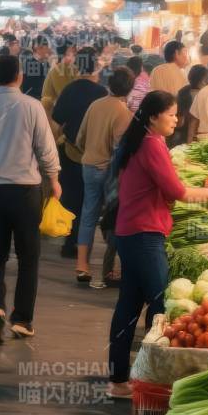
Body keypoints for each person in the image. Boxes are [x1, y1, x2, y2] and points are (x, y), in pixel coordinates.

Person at [107, 91, 208, 398]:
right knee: (163, 305)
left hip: (131, 232)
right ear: (153, 117)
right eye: (172, 114)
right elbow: (176, 190)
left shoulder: (143, 142)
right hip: (144, 235)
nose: (177, 119)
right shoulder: (151, 145)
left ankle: (121, 379)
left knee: (130, 305)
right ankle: (152, 380)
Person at [0, 52, 61, 343]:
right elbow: (46, 148)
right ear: (19, 76)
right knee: (29, 256)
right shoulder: (32, 106)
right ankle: (22, 320)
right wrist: (54, 179)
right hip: (26, 191)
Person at [76, 66, 132, 287]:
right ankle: (110, 268)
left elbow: (80, 138)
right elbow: (120, 148)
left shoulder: (95, 105)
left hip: (88, 166)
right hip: (108, 171)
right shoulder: (123, 112)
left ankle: (82, 266)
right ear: (128, 88)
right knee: (113, 218)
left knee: (88, 214)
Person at [52, 48, 107, 262]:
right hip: (95, 155)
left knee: (71, 199)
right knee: (90, 201)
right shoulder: (102, 93)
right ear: (96, 67)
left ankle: (69, 242)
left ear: (77, 66)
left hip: (70, 152)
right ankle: (85, 247)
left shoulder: (70, 90)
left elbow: (57, 119)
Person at [41, 41, 76, 132]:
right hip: (52, 115)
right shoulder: (58, 69)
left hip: (60, 113)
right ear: (64, 54)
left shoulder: (69, 68)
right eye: (72, 52)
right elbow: (64, 93)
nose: (75, 54)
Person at [173, 65, 208, 147]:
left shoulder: (183, 91)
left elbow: (180, 120)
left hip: (183, 134)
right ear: (203, 80)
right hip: (200, 135)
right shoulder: (207, 93)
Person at [21, 35, 51, 99]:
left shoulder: (45, 63)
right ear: (38, 49)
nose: (48, 50)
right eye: (46, 48)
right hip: (32, 100)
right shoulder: (31, 64)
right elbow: (35, 88)